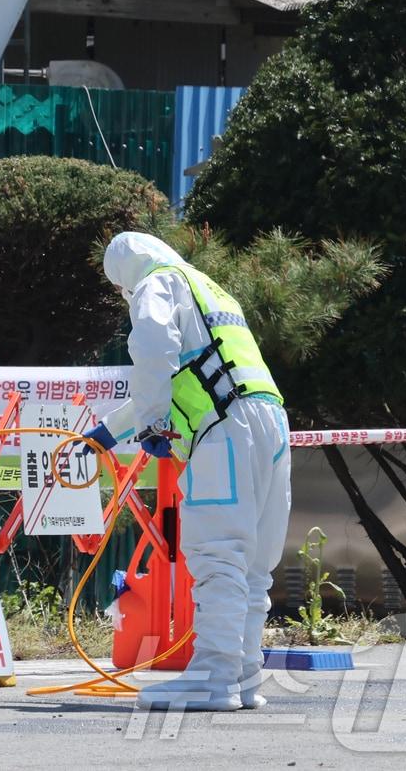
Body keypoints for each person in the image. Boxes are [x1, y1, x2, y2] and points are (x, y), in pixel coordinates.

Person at [80, 232, 291, 712]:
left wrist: (153, 422)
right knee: (252, 567)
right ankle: (242, 678)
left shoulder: (156, 283)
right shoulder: (210, 290)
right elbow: (194, 370)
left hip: (224, 434)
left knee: (218, 557)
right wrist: (110, 432)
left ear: (125, 273)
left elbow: (154, 350)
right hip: (270, 424)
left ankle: (211, 680)